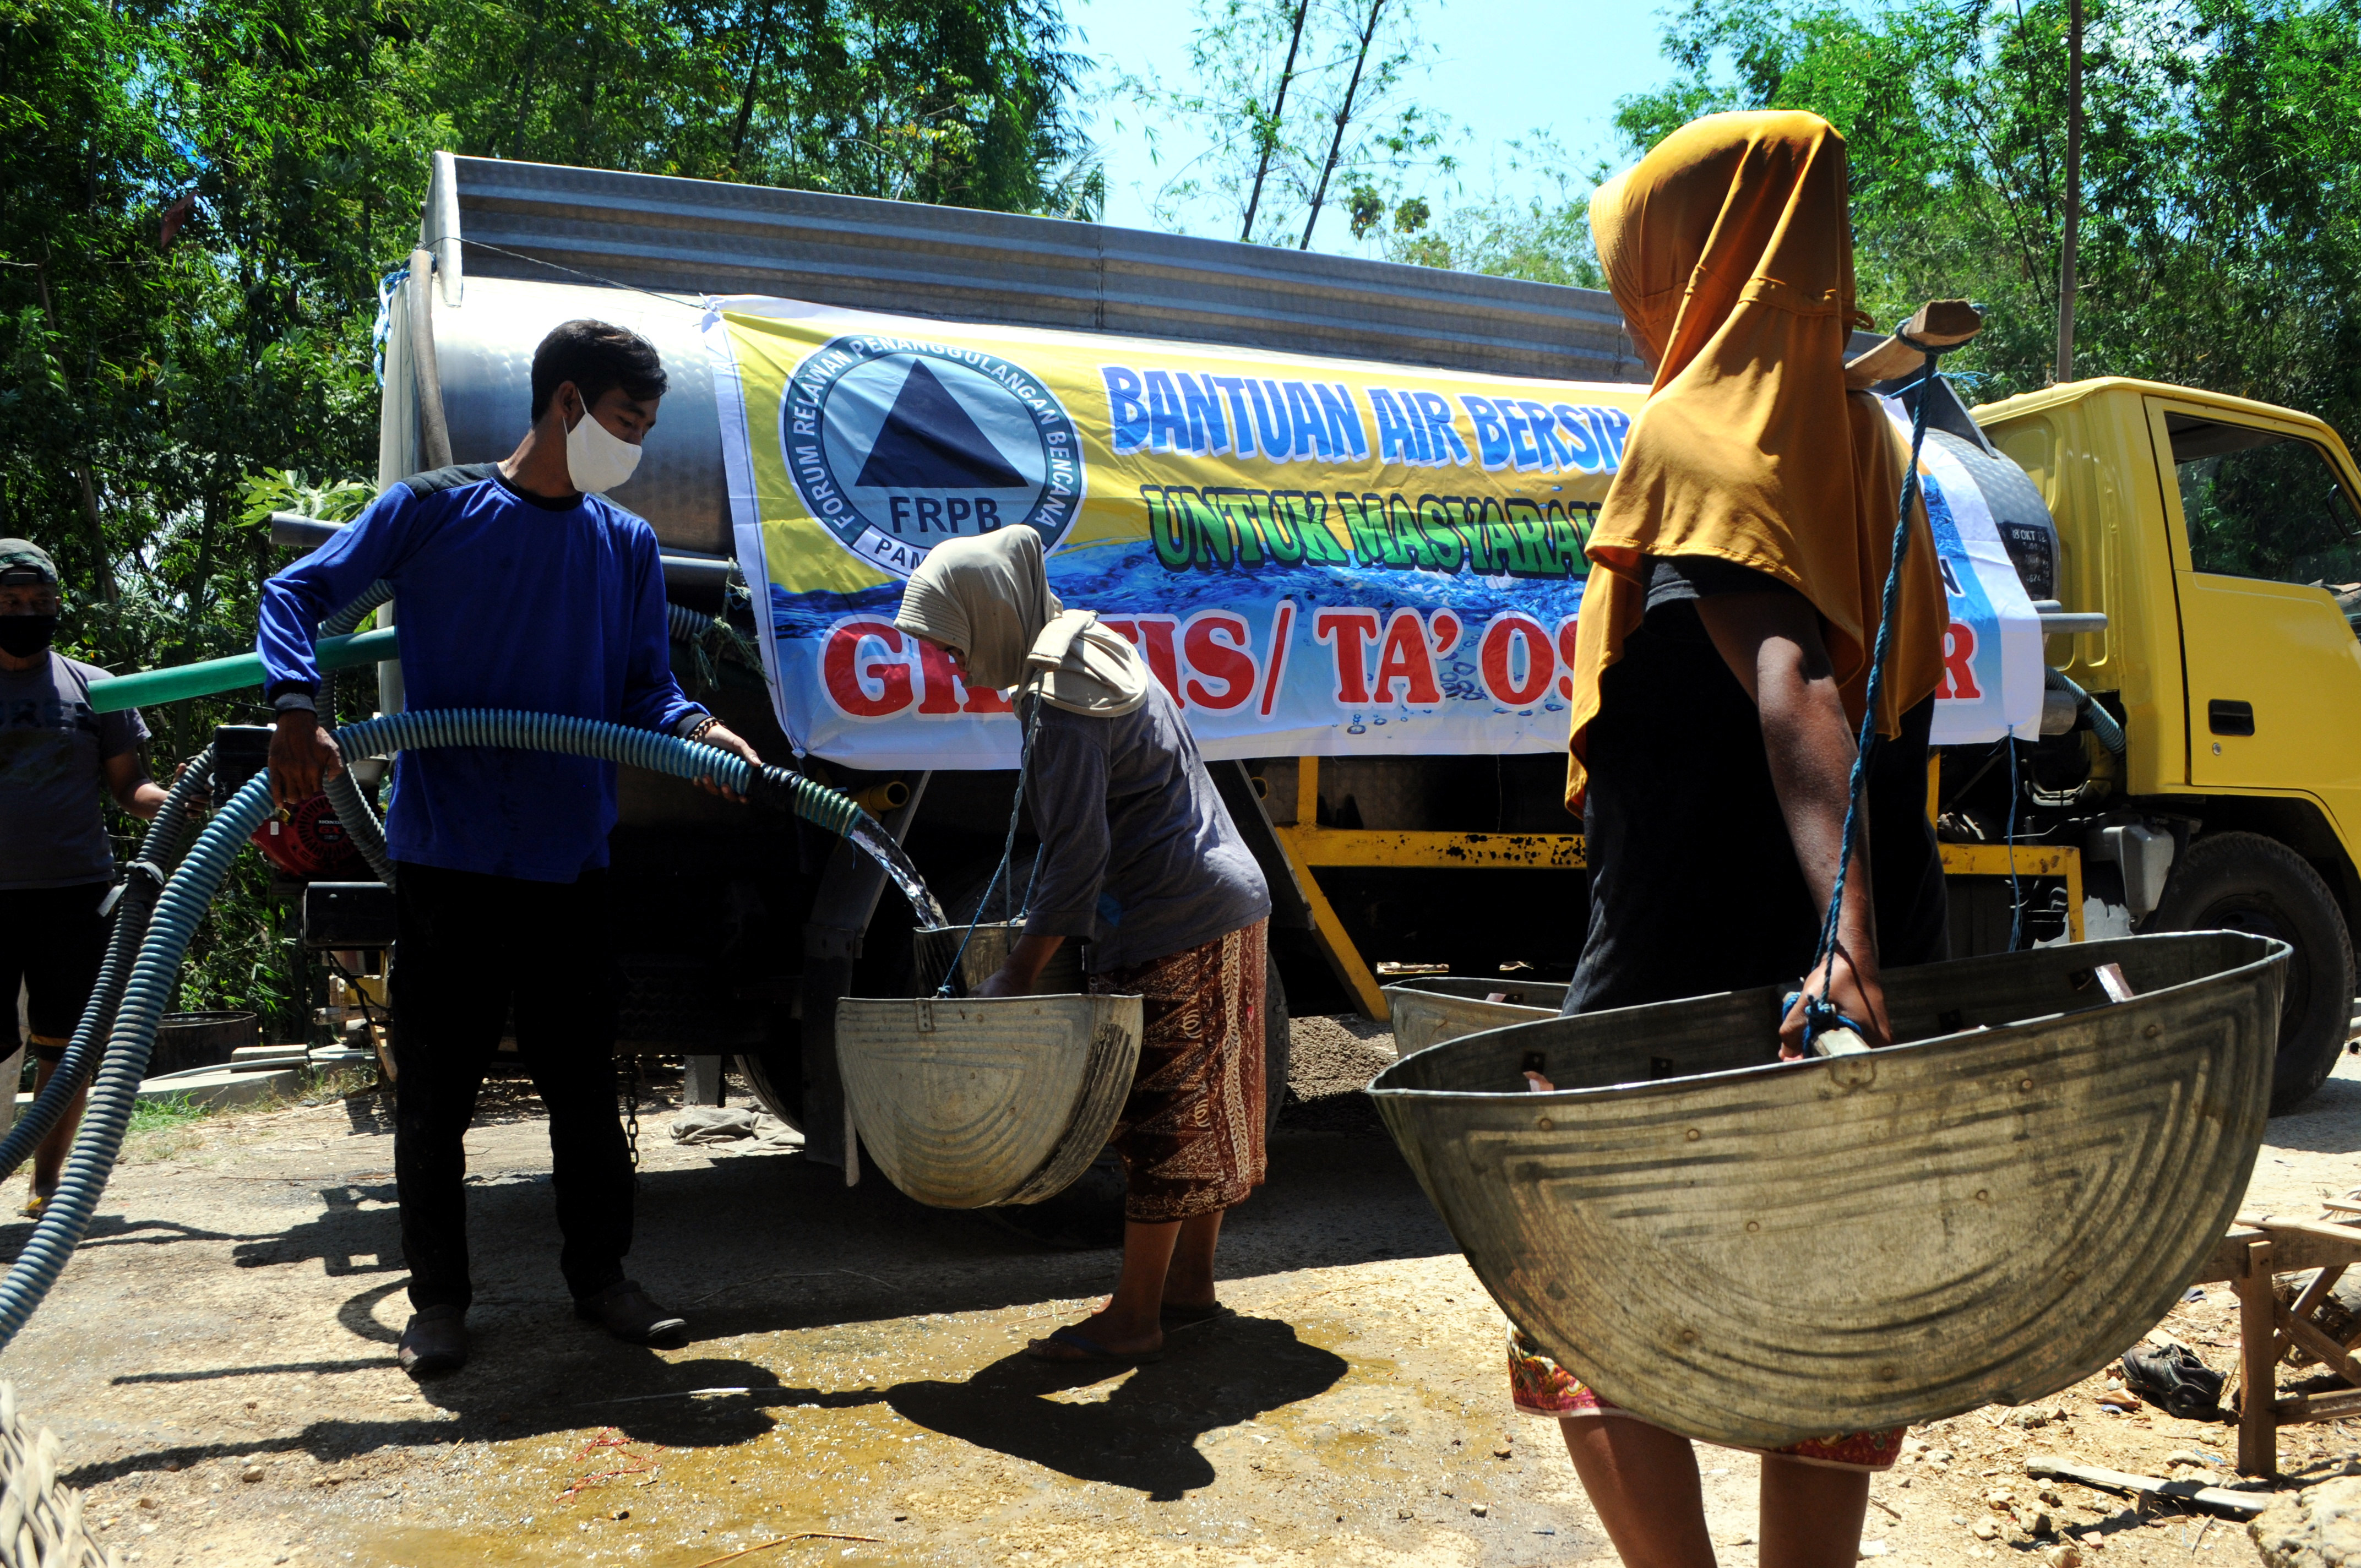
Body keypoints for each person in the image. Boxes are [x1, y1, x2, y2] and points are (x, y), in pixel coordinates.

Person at [1525, 111, 1951, 1568]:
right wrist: (1865, 947)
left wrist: (1847, 937)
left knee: (1573, 1288)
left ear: (1693, 258)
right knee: (1818, 1313)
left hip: (1684, 980)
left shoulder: (1694, 427)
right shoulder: (1868, 440)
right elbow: (1885, 706)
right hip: (1821, 999)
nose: (1629, 299)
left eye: (1634, 265)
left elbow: (1795, 683)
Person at [260, 319, 763, 1378]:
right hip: (449, 857)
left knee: (583, 1084)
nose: (635, 445)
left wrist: (700, 732)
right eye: (629, 422)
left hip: (570, 859)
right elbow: (296, 593)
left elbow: (644, 689)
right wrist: (298, 706)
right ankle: (439, 1301)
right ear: (569, 405)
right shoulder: (434, 511)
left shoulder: (621, 544)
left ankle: (602, 1281)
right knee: (436, 1094)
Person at [893, 527, 1271, 1364]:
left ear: (992, 617)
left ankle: (1135, 1317)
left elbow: (1075, 856)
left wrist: (1018, 976)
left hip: (1178, 912)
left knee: (1160, 1117)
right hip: (1225, 899)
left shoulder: (1060, 696)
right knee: (1203, 1101)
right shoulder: (1092, 645)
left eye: (955, 647)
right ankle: (1191, 1288)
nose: (955, 668)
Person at [0, 539, 171, 1218]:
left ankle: (46, 1186)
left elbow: (131, 788)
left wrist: (182, 798)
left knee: (66, 1051)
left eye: (40, 602)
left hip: (73, 891)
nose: (26, 612)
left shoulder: (97, 687)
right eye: (11, 602)